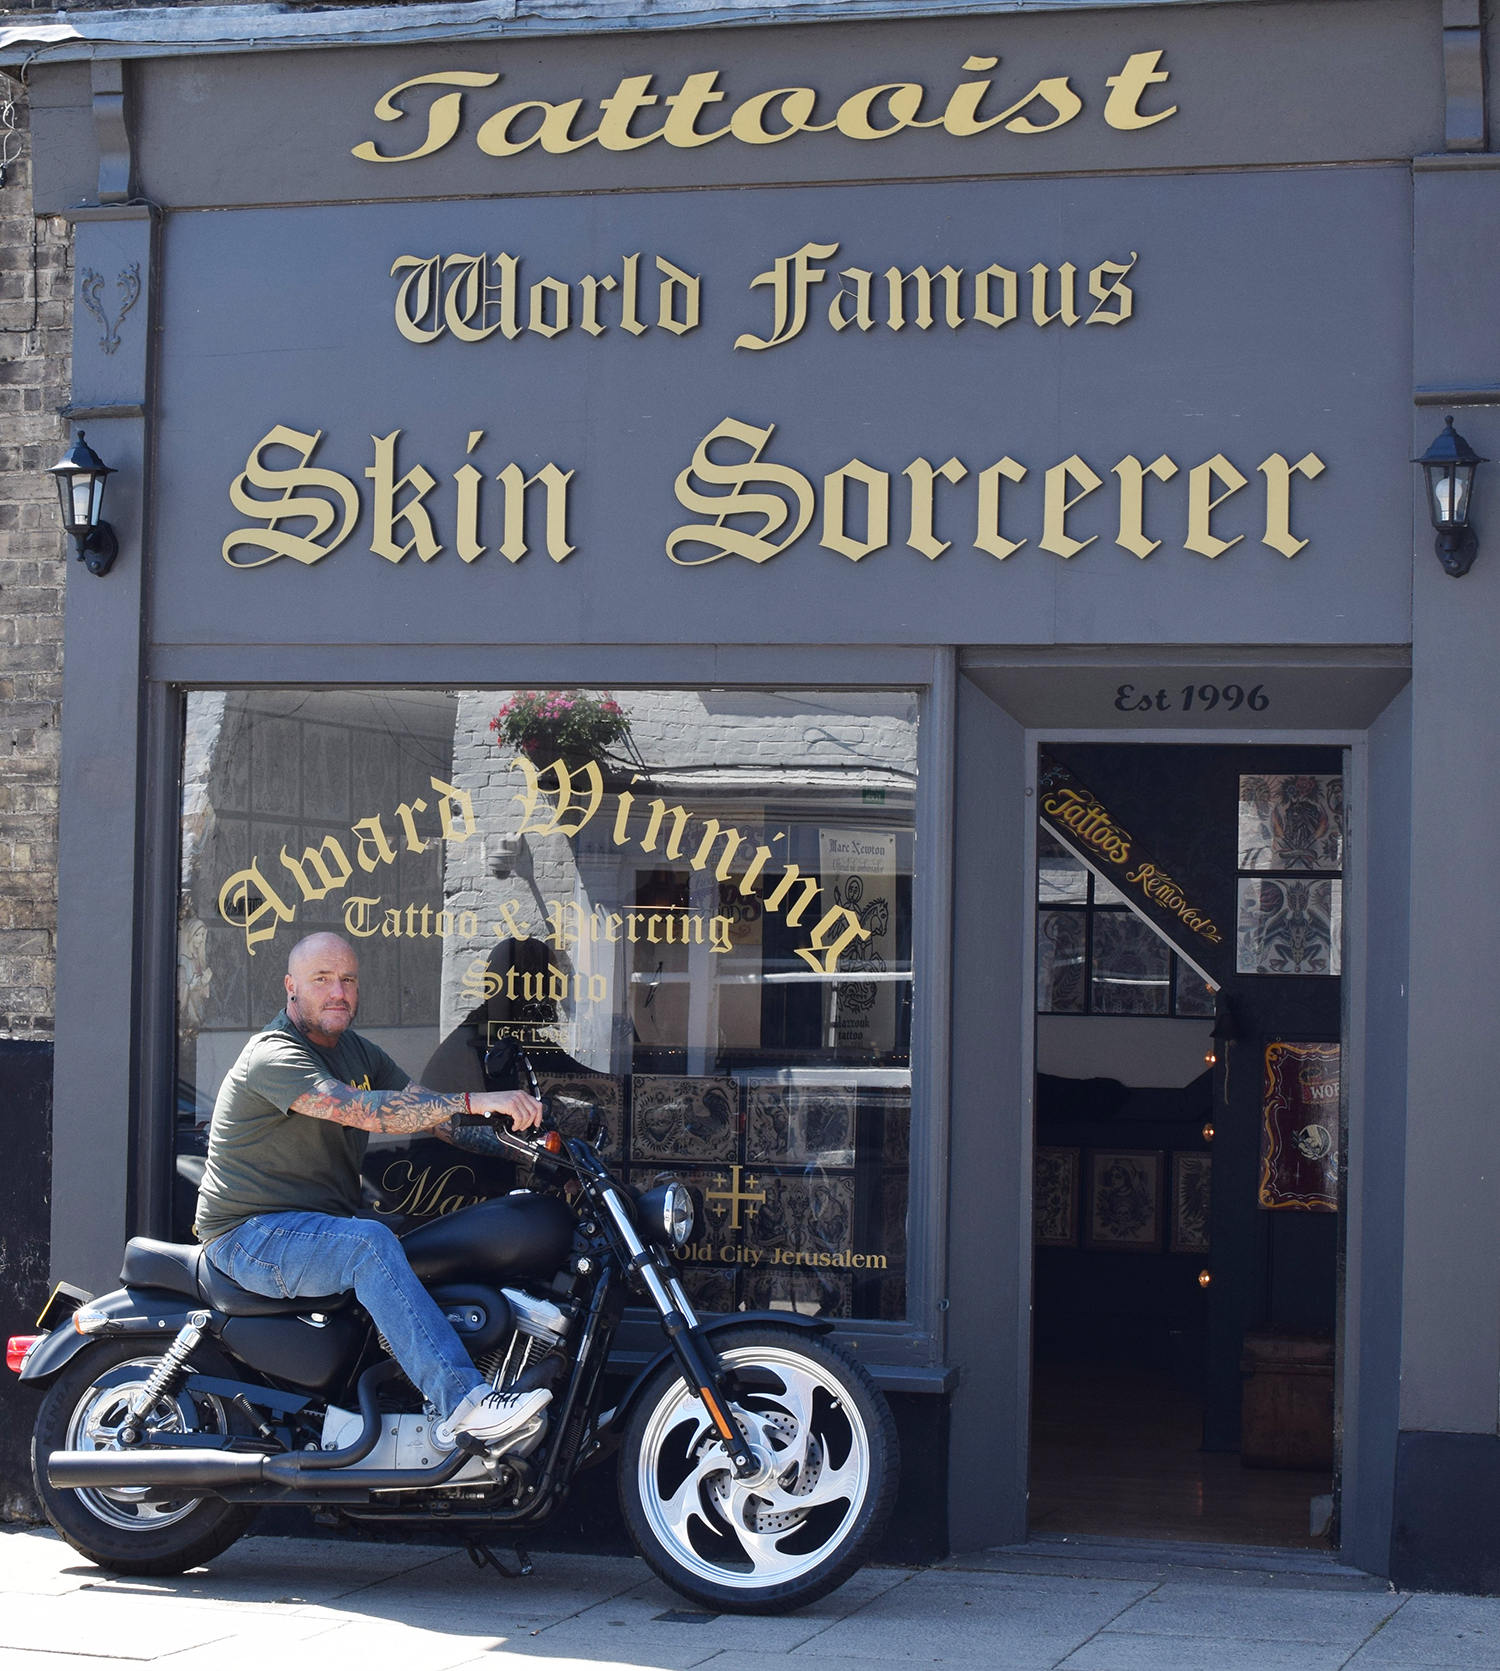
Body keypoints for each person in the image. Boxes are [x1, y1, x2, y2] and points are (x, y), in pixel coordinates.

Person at [193, 931, 550, 1452]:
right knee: (368, 1246)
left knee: (419, 1240)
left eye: (348, 980)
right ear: (291, 987)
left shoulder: (358, 1052)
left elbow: (434, 1117)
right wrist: (479, 1098)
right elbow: (365, 1110)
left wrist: (531, 1153)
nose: (338, 991)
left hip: (310, 1228)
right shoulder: (273, 1054)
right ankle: (463, 1406)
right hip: (249, 1236)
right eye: (322, 980)